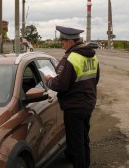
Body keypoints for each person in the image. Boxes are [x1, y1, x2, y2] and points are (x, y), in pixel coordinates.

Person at [45, 26, 100, 168]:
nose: (61, 44)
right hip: (88, 103)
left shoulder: (71, 58)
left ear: (70, 41)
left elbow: (61, 85)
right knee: (83, 139)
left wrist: (49, 80)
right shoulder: (92, 55)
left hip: (74, 107)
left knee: (75, 144)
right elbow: (96, 79)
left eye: (62, 41)